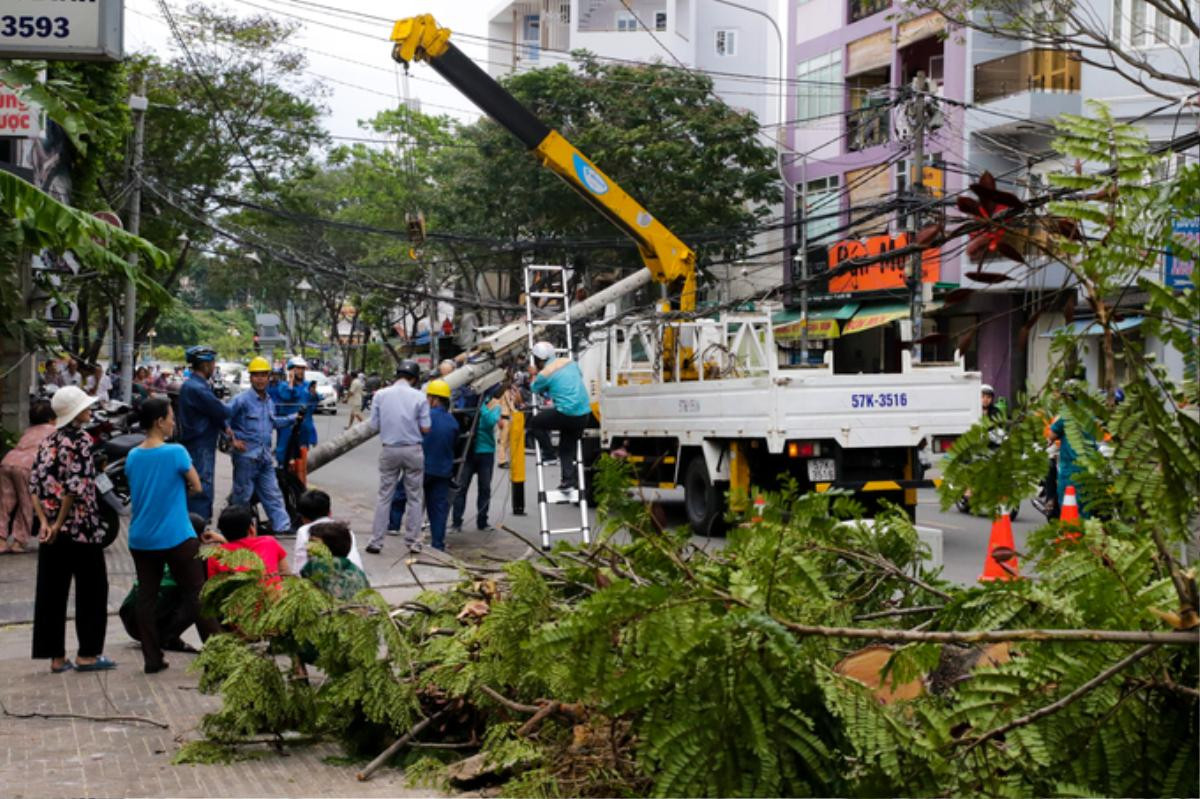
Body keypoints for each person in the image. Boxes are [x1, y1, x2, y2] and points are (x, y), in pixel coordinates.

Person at [125, 397, 222, 673]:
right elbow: (197, 486)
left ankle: (152, 659)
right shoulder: (176, 452)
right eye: (170, 417)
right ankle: (218, 657)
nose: (173, 423)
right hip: (176, 535)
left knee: (146, 597)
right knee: (197, 594)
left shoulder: (133, 455)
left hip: (141, 538)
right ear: (159, 422)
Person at [29, 386, 116, 673]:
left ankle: (55, 657)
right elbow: (73, 489)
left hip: (51, 532)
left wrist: (45, 523)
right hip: (81, 528)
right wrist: (59, 521)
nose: (90, 410)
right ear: (76, 413)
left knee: (52, 592)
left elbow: (35, 487)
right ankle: (88, 655)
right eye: (85, 407)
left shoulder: (48, 441)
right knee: (92, 589)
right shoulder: (80, 440)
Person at [117, 513, 210, 655]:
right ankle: (168, 636)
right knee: (199, 596)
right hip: (140, 625)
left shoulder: (162, 550)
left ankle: (157, 640)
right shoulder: (192, 561)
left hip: (131, 619)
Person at [365, 360, 430, 555]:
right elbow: (426, 428)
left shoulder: (380, 395)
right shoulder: (420, 397)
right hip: (413, 449)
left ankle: (376, 541)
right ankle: (413, 541)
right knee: (415, 498)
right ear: (414, 379)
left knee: (384, 495)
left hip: (389, 449)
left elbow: (374, 426)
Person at [227, 357, 296, 535]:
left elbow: (273, 423)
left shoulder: (269, 401)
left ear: (268, 377)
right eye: (256, 375)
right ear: (250, 378)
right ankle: (238, 531)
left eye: (263, 375)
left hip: (264, 457)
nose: (260, 379)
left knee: (273, 493)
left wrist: (293, 418)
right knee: (242, 496)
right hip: (246, 457)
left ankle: (282, 527)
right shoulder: (241, 400)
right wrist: (232, 441)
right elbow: (223, 419)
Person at [177, 345, 234, 522]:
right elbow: (221, 410)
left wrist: (225, 428)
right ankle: (199, 521)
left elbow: (212, 413)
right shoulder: (197, 388)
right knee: (201, 482)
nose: (214, 366)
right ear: (205, 365)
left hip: (201, 441)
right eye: (212, 362)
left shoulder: (196, 385)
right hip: (199, 442)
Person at [528, 341, 594, 490]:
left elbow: (534, 388)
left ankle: (549, 453)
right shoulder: (570, 362)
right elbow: (577, 376)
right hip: (583, 414)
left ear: (539, 360)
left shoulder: (544, 374)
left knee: (535, 423)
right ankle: (568, 481)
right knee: (566, 449)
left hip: (566, 413)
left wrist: (533, 375)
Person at [0, 401, 56, 554]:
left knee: (4, 504)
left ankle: (1, 540)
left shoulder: (29, 431)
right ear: (51, 418)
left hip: (8, 462)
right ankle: (18, 541)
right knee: (27, 504)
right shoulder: (53, 431)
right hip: (27, 467)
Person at [452, 387, 501, 534]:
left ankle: (482, 521)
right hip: (467, 451)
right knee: (461, 488)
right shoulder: (465, 404)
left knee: (484, 489)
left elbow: (490, 422)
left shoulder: (494, 405)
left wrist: (481, 408)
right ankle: (456, 522)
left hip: (486, 452)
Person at [207, 503, 290, 580]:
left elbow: (213, 588)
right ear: (251, 529)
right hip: (274, 594)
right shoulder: (269, 542)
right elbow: (286, 573)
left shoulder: (215, 556)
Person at [422, 380, 459, 550]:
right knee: (438, 509)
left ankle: (396, 529)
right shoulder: (453, 422)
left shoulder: (425, 417)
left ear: (434, 400)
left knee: (406, 498)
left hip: (424, 467)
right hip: (443, 471)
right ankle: (438, 544)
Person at [271, 357, 319, 487]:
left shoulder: (308, 386)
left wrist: (313, 394)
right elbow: (286, 396)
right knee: (284, 456)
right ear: (291, 370)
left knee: (301, 459)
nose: (300, 371)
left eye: (302, 368)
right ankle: (282, 482)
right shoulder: (283, 386)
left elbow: (314, 404)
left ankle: (300, 486)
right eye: (297, 368)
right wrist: (291, 381)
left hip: (303, 429)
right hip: (287, 428)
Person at [292, 489, 365, 573]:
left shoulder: (304, 531)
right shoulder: (344, 529)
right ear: (330, 512)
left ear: (303, 517)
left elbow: (299, 567)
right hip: (356, 577)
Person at [301, 521, 369, 600]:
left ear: (328, 549)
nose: (307, 547)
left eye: (314, 542)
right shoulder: (356, 570)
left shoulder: (317, 565)